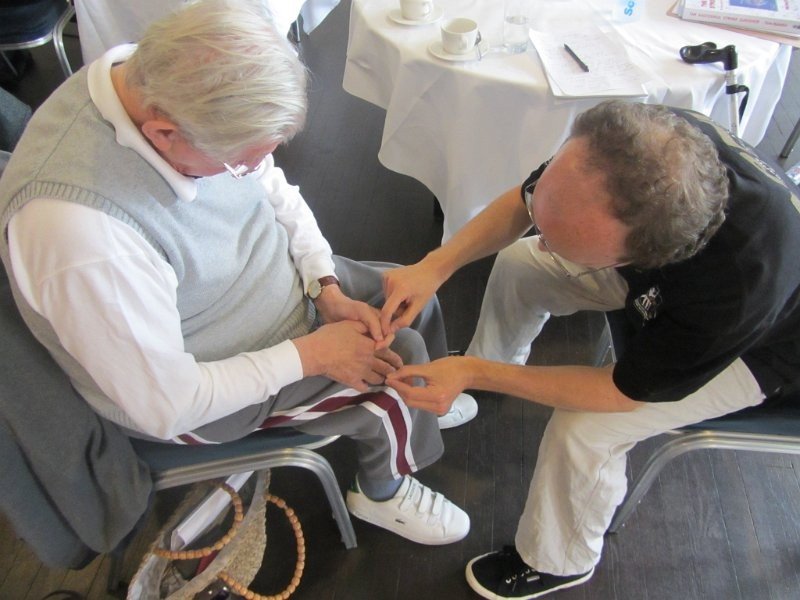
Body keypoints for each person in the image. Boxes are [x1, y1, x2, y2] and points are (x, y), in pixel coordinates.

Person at [0, 0, 478, 546]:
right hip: (203, 386)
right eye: (236, 165)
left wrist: (323, 284)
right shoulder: (83, 240)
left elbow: (271, 186)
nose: (251, 171)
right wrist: (312, 355)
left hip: (259, 284)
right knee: (397, 367)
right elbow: (165, 406)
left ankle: (423, 404)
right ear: (163, 133)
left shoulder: (145, 73)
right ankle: (381, 491)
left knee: (408, 294)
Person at [379, 100, 800, 597]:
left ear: (644, 258)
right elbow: (522, 203)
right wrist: (434, 266)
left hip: (761, 346)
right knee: (522, 263)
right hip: (678, 283)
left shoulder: (740, 284)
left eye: (561, 240)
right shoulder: (630, 144)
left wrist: (472, 371)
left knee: (586, 428)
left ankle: (560, 559)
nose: (543, 239)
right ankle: (495, 363)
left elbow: (622, 391)